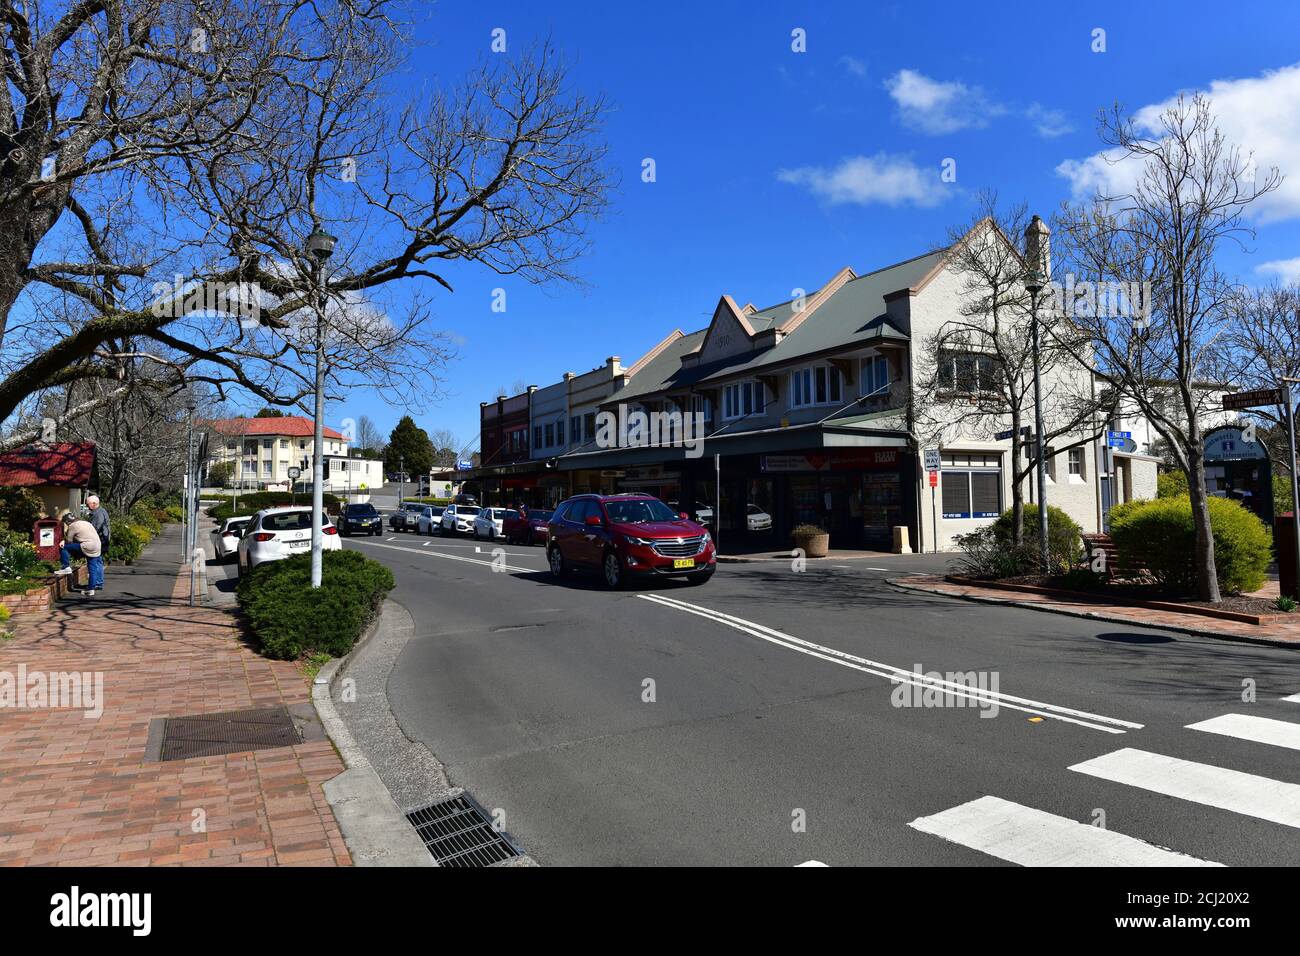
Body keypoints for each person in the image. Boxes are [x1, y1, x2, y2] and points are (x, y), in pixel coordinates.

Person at [54, 512, 104, 597]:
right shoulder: (86, 522)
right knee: (92, 568)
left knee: (64, 547)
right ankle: (91, 589)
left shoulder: (72, 526)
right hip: (97, 546)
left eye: (66, 523)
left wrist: (63, 541)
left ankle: (66, 567)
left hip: (87, 545)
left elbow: (69, 541)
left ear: (68, 522)